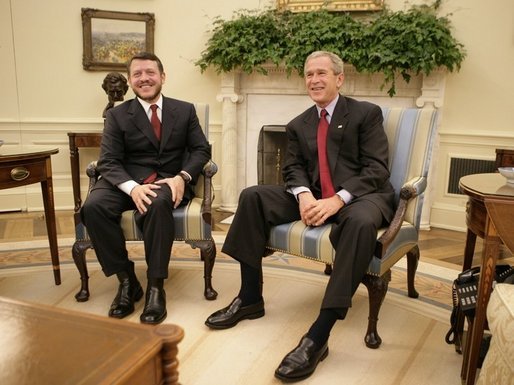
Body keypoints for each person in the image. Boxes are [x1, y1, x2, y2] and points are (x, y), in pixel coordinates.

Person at [205, 51, 395, 382]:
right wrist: (304, 195)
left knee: (361, 222)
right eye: (308, 74)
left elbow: (377, 169)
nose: (314, 80)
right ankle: (250, 297)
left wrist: (337, 200)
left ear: (339, 78)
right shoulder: (298, 124)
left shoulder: (366, 114)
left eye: (321, 73)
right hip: (315, 196)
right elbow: (292, 168)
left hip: (361, 197)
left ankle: (318, 336)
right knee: (253, 196)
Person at [81, 52, 211, 325]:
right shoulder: (117, 115)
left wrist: (182, 177)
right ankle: (127, 280)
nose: (144, 78)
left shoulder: (185, 110)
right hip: (123, 182)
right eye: (137, 74)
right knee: (93, 207)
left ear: (162, 77)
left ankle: (155, 287)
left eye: (150, 72)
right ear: (130, 81)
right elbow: (109, 161)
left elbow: (201, 149)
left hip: (167, 181)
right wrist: (131, 188)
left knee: (158, 202)